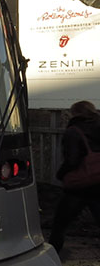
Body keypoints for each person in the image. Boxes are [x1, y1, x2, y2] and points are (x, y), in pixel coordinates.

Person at [48, 100, 100, 254]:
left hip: (80, 186)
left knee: (60, 223)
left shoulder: (73, 131)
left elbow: (72, 160)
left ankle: (54, 255)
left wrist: (61, 174)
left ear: (74, 113)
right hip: (99, 184)